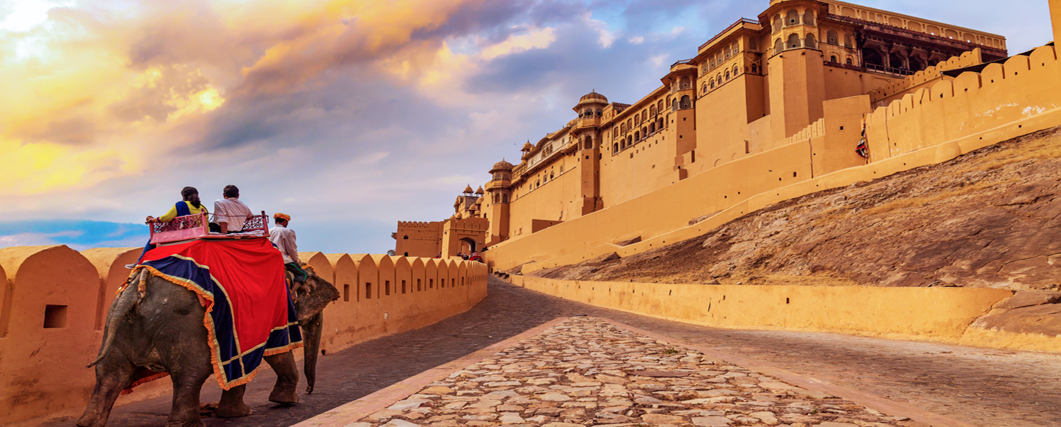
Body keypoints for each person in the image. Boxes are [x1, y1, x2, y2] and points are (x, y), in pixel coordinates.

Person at [270, 213, 307, 286]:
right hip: (283, 259)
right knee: (303, 274)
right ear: (284, 222)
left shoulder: (267, 231)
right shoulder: (287, 231)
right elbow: (292, 249)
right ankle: (293, 292)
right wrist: (296, 261)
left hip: (269, 259)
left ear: (275, 222)